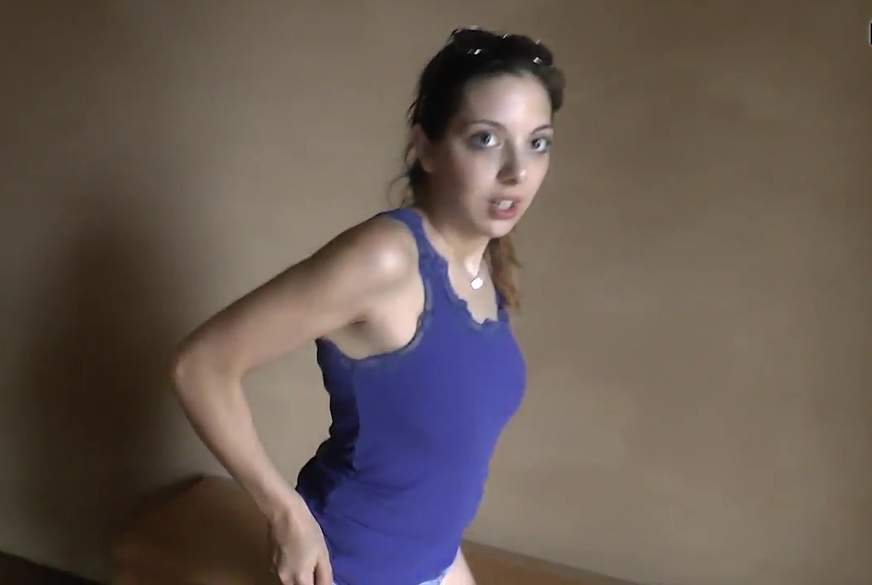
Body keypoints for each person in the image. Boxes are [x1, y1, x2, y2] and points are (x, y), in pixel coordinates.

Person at [170, 25, 565, 585]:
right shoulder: (385, 260)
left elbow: (435, 456)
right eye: (485, 139)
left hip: (430, 557)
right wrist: (286, 514)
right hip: (352, 564)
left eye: (537, 143)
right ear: (426, 147)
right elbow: (200, 366)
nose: (516, 171)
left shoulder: (485, 263)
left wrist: (445, 557)